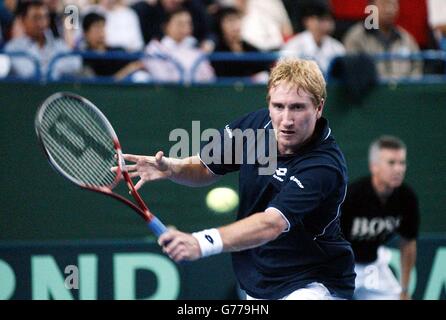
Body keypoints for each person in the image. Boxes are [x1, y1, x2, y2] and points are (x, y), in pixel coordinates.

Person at [116, 57, 356, 300]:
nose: (286, 120)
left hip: (314, 282)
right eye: (278, 106)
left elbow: (271, 224)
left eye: (297, 107)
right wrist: (172, 168)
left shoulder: (323, 166)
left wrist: (200, 243)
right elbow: (204, 167)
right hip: (259, 279)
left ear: (318, 107)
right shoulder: (255, 127)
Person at [340, 136, 419, 300]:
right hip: (339, 266)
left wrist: (404, 289)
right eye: (391, 163)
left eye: (402, 163)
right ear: (374, 167)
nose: (398, 169)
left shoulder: (406, 197)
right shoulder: (352, 196)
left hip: (373, 266)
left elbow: (408, 242)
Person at [343, 0, 422, 79]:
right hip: (369, 90)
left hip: (404, 90)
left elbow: (417, 68)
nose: (389, 9)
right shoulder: (356, 38)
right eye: (384, 4)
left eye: (393, 5)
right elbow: (353, 72)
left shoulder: (406, 39)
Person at [4, 0, 81, 79]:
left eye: (45, 17)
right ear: (23, 20)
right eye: (36, 18)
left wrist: (54, 68)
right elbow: (27, 71)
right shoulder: (13, 48)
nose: (41, 23)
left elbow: (75, 62)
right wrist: (52, 66)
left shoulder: (58, 44)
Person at [281, 3, 345, 74]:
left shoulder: (337, 47)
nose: (326, 24)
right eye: (321, 19)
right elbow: (284, 74)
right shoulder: (294, 45)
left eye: (329, 20)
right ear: (308, 21)